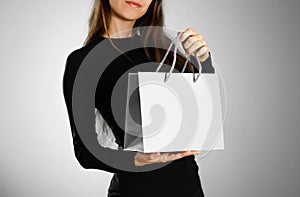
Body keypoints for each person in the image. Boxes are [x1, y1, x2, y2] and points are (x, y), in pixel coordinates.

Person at [63, 0, 215, 196]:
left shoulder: (164, 50)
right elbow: (85, 153)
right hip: (135, 190)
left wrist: (203, 61)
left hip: (189, 188)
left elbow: (205, 110)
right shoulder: (84, 61)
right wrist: (138, 160)